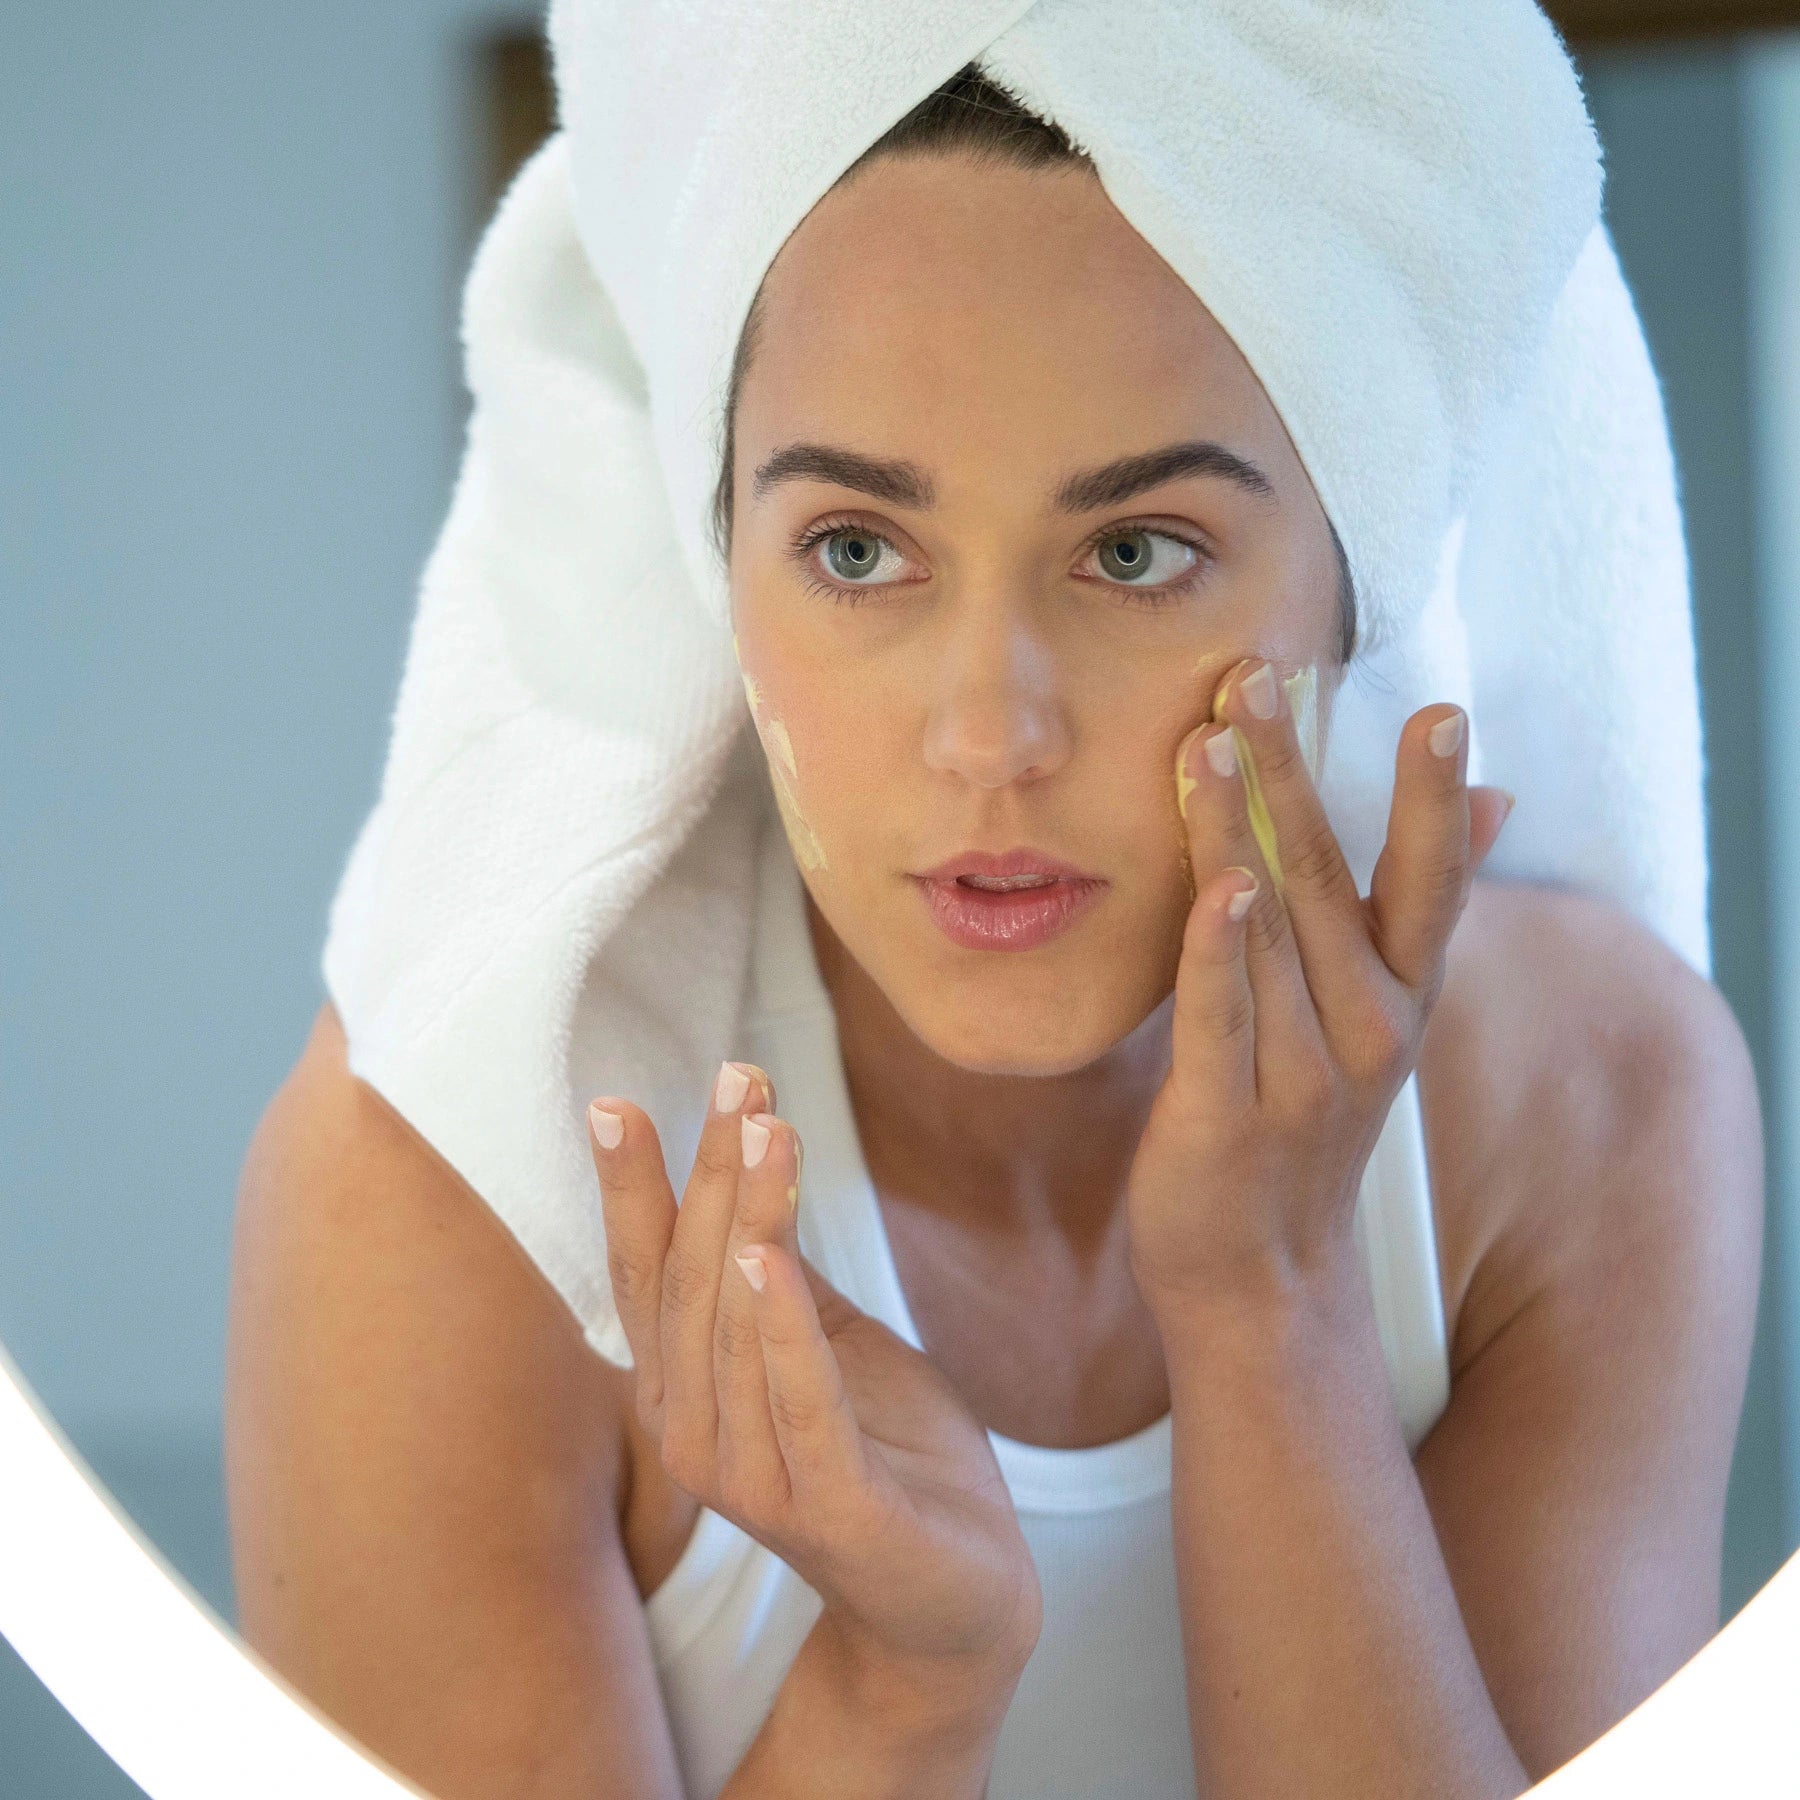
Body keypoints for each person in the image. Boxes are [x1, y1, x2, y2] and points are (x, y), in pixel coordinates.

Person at [225, 60, 1761, 1800]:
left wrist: (1272, 1308)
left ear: (1366, 567)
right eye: (859, 551)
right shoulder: (460, 1184)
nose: (988, 736)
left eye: (1136, 551)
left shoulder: (1586, 1107)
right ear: (714, 552)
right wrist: (903, 1685)